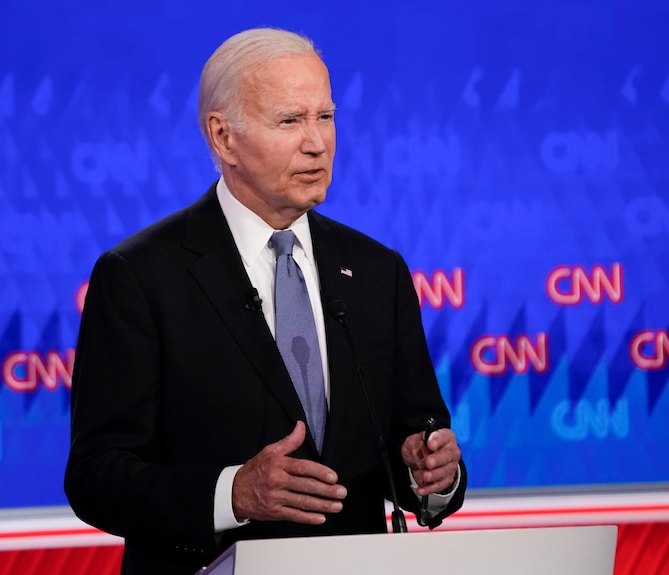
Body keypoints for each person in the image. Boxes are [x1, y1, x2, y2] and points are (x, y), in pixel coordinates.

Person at [64, 27, 467, 575]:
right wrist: (232, 493)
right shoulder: (139, 277)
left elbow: (415, 436)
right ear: (224, 137)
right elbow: (97, 476)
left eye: (325, 117)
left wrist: (433, 476)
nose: (317, 142)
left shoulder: (377, 271)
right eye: (290, 120)